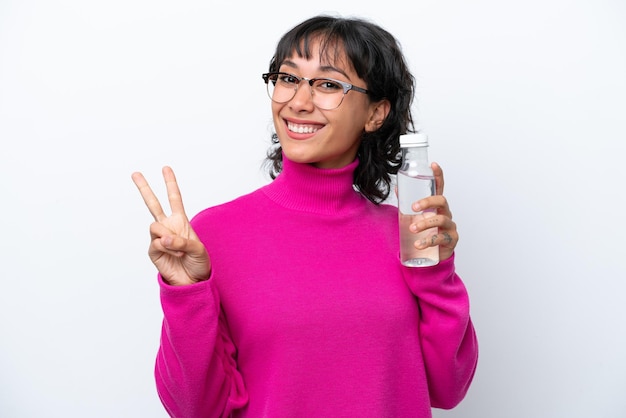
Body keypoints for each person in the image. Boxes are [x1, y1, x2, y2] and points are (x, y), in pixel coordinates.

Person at [132, 14, 478, 418]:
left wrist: (435, 270)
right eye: (288, 78)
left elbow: (448, 387)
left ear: (375, 113)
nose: (298, 101)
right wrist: (186, 294)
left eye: (329, 84)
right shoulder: (213, 236)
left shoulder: (406, 233)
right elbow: (195, 408)